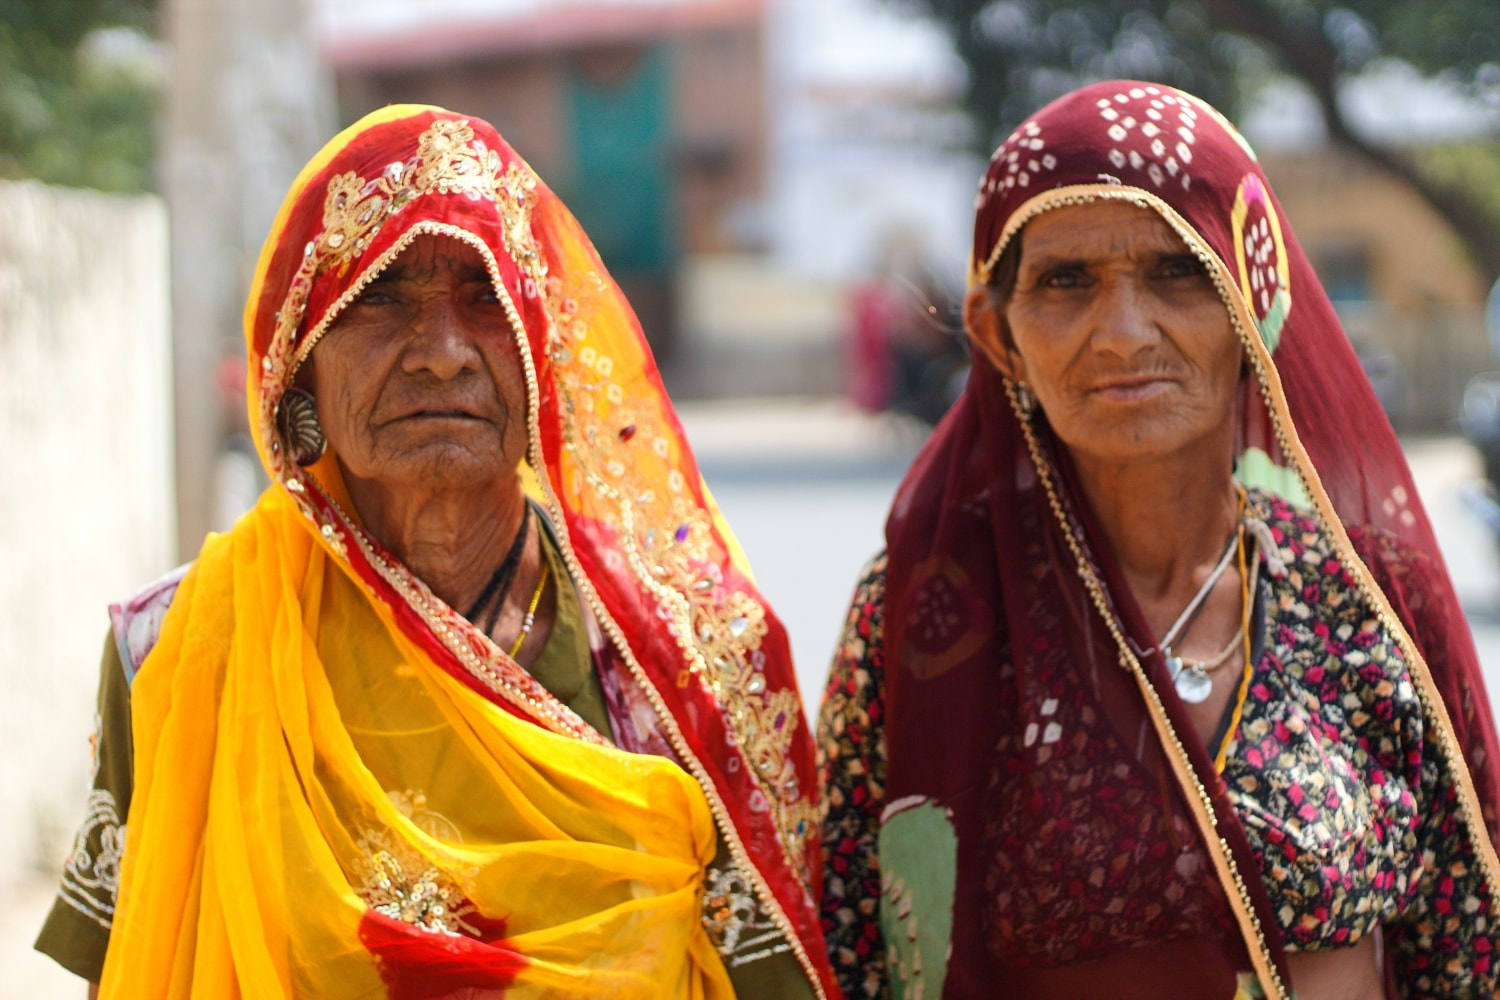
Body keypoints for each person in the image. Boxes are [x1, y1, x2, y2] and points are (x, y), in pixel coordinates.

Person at [35, 105, 836, 999]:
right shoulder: (178, 651)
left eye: (486, 294)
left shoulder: (697, 655)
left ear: (542, 347)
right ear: (295, 362)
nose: (445, 354)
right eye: (380, 294)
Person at [817, 80, 1500, 999]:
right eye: (1066, 282)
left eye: (1178, 271)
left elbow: (1467, 948)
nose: (1124, 332)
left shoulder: (1367, 597)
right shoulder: (933, 611)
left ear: (1252, 295)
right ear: (998, 333)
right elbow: (850, 944)